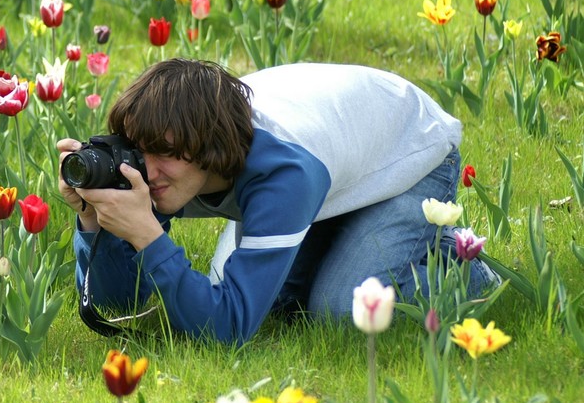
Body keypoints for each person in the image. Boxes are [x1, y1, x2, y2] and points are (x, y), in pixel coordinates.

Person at [57, 59, 498, 344]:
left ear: (210, 150)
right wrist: (95, 222)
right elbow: (121, 301)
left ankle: (462, 262)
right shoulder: (161, 166)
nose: (148, 172)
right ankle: (339, 239)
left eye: (168, 154)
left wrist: (147, 236)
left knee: (341, 312)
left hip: (408, 153)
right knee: (281, 306)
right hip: (338, 152)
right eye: (141, 150)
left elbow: (228, 325)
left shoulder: (282, 172)